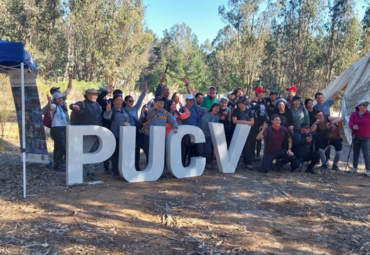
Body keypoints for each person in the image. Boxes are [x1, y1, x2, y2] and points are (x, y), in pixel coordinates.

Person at [69, 88, 103, 181]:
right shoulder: (82, 103)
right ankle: (75, 172)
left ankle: (90, 172)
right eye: (93, 94)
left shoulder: (97, 105)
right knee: (83, 152)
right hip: (84, 134)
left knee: (92, 153)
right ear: (87, 95)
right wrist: (74, 107)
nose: (95, 96)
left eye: (96, 94)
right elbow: (72, 106)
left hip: (96, 134)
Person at [104, 94, 134, 179]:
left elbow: (132, 122)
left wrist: (129, 124)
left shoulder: (126, 111)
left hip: (126, 137)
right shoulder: (112, 111)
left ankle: (125, 170)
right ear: (114, 101)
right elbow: (107, 117)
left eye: (121, 100)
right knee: (116, 154)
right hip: (115, 135)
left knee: (125, 153)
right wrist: (108, 111)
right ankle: (116, 171)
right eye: (117, 100)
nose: (119, 102)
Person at [142, 96, 178, 164]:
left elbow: (173, 121)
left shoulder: (165, 113)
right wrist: (154, 108)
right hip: (148, 136)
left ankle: (160, 171)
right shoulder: (151, 110)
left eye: (162, 100)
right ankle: (149, 168)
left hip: (159, 137)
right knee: (149, 152)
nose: (162, 102)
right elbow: (149, 113)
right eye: (159, 100)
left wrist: (175, 127)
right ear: (155, 102)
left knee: (159, 153)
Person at [97, 85, 123, 174]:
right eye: (118, 97)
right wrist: (106, 92)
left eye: (121, 97)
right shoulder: (107, 102)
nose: (119, 99)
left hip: (118, 130)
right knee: (108, 148)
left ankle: (115, 167)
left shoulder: (121, 106)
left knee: (116, 149)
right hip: (107, 128)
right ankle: (106, 167)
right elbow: (99, 99)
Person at [124, 83, 147, 171]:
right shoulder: (123, 110)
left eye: (132, 101)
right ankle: (128, 166)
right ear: (125, 102)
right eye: (129, 101)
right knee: (129, 150)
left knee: (137, 150)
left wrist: (144, 92)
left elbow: (140, 101)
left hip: (137, 132)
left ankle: (136, 165)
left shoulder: (135, 109)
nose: (131, 102)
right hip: (128, 133)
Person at [348, 99, 370, 176]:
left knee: (366, 153)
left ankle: (368, 169)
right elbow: (350, 123)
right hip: (356, 136)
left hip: (366, 137)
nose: (365, 106)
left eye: (366, 105)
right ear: (359, 106)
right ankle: (354, 167)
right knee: (356, 152)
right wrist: (353, 126)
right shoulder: (354, 114)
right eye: (363, 105)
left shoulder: (369, 114)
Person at [232, 96, 254, 169]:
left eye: (243, 103)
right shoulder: (235, 111)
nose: (241, 105)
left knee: (247, 147)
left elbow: (252, 122)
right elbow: (234, 121)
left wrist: (245, 122)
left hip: (246, 131)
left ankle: (247, 162)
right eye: (240, 103)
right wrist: (245, 122)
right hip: (237, 131)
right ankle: (234, 161)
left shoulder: (249, 111)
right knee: (236, 146)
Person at [47, 93, 68, 171]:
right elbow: (50, 108)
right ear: (55, 99)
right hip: (56, 129)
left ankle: (57, 164)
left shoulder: (60, 107)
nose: (60, 99)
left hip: (62, 129)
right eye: (58, 98)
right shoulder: (54, 106)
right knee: (63, 148)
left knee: (57, 147)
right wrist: (49, 101)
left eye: (61, 98)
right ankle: (57, 164)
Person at [199, 103, 221, 168]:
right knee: (200, 150)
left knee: (208, 150)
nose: (217, 109)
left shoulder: (217, 117)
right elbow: (196, 106)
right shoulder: (205, 111)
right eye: (216, 107)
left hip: (209, 136)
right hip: (200, 134)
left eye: (218, 109)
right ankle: (201, 164)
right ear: (212, 107)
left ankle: (208, 163)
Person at [250, 87, 268, 160]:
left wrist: (264, 123)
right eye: (261, 92)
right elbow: (252, 110)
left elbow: (266, 113)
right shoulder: (253, 101)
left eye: (264, 92)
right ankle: (252, 154)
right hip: (255, 123)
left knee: (260, 139)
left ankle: (258, 154)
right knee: (253, 139)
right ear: (257, 93)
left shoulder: (264, 101)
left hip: (262, 123)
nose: (263, 94)